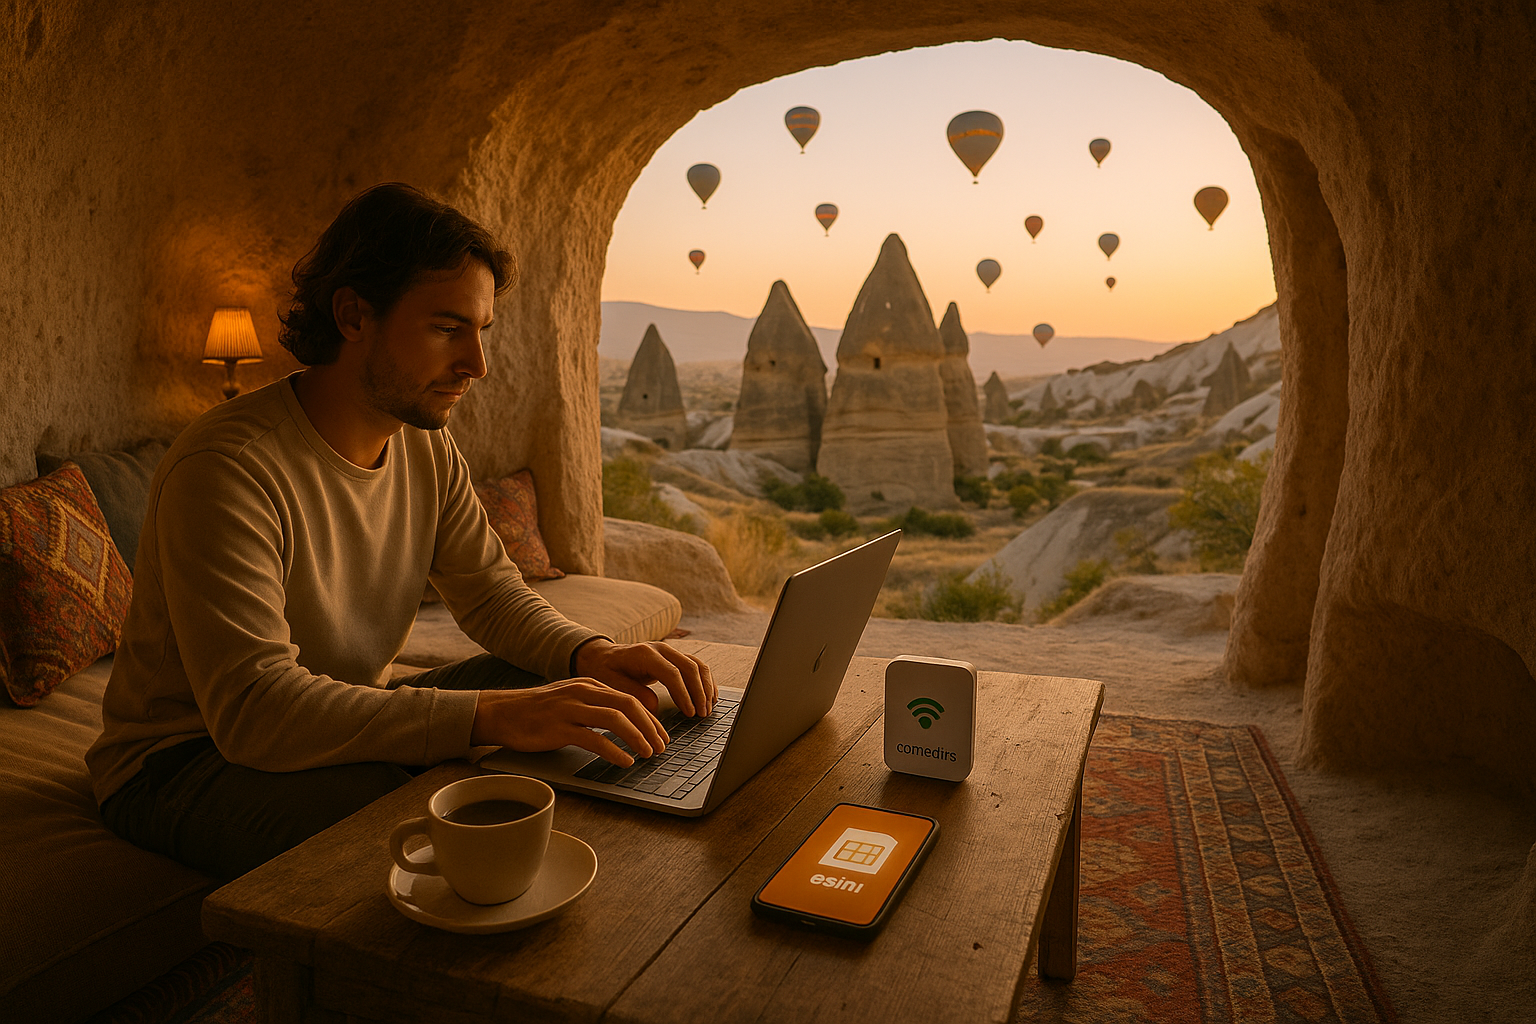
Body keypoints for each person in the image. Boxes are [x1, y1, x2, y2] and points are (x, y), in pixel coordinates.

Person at [87, 183, 715, 879]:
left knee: (575, 687)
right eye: (448, 329)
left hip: (334, 711)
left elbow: (491, 594)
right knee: (422, 820)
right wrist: (493, 718)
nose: (477, 364)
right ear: (354, 314)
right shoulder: (228, 468)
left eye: (482, 331)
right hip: (184, 761)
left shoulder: (420, 441)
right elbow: (255, 711)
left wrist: (589, 653)